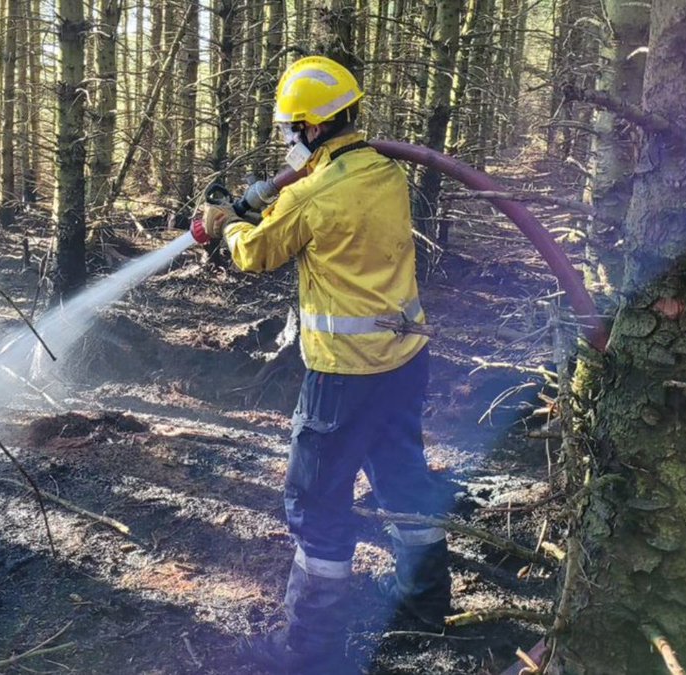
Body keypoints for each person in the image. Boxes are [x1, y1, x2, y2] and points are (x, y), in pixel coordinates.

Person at [191, 56, 453, 673]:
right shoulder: (384, 171)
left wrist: (226, 224)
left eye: (290, 129)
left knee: (315, 505)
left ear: (312, 127)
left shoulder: (311, 193)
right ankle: (423, 607)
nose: (288, 140)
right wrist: (266, 206)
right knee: (404, 480)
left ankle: (307, 649)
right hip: (404, 362)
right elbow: (330, 226)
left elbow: (257, 253)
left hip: (343, 378)